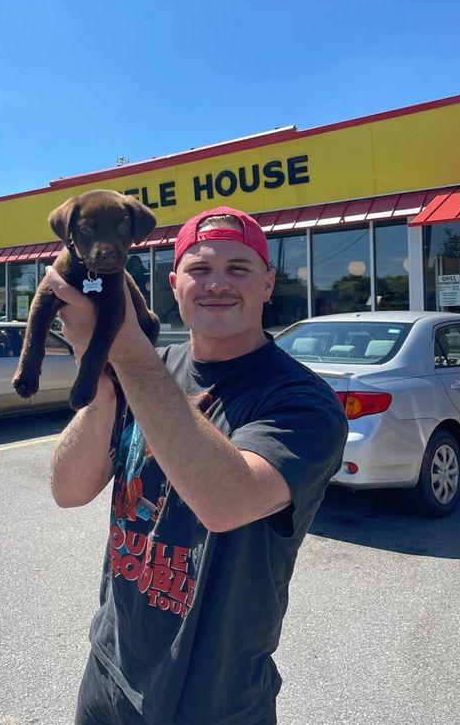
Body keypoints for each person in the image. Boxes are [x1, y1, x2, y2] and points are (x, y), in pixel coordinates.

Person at [47, 206, 348, 725]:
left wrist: (122, 347)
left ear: (268, 284)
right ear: (174, 283)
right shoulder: (155, 370)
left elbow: (225, 502)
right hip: (110, 670)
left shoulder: (301, 402)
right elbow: (69, 489)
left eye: (238, 269)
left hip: (216, 697)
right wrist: (100, 382)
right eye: (200, 268)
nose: (217, 284)